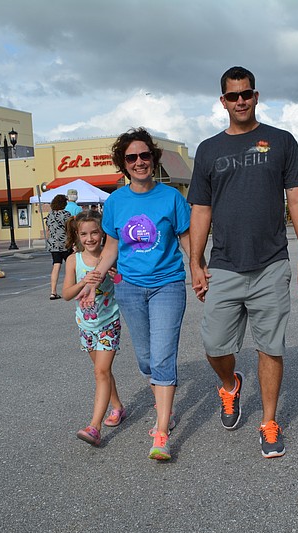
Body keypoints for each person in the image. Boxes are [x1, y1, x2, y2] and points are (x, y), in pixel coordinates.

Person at [187, 66, 298, 459]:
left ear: (256, 96)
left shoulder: (280, 141)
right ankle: (230, 385)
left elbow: (297, 198)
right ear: (223, 101)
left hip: (271, 263)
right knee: (213, 345)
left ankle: (269, 422)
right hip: (224, 264)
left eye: (246, 94)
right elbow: (201, 209)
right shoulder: (208, 150)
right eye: (233, 95)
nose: (240, 101)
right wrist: (196, 262)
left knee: (270, 347)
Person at [80, 128, 191, 460]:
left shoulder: (172, 197)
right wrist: (94, 278)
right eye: (132, 157)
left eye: (144, 155)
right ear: (124, 163)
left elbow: (186, 238)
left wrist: (198, 268)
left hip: (168, 283)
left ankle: (161, 432)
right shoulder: (116, 201)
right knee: (145, 358)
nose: (139, 162)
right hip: (128, 287)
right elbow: (111, 247)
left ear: (153, 159)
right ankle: (165, 409)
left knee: (163, 355)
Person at [62, 210, 124, 448]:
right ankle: (117, 407)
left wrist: (116, 275)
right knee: (102, 372)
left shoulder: (110, 256)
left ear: (103, 233)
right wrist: (83, 282)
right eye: (84, 234)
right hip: (86, 326)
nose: (90, 239)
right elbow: (66, 294)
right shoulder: (73, 260)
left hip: (109, 322)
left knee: (101, 371)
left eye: (95, 233)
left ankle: (94, 427)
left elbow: (121, 283)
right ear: (78, 235)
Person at [45, 194, 72, 300]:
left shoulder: (50, 215)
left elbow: (48, 229)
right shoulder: (66, 214)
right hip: (65, 243)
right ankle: (72, 288)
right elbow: (70, 229)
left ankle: (53, 291)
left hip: (53, 244)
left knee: (56, 265)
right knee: (71, 265)